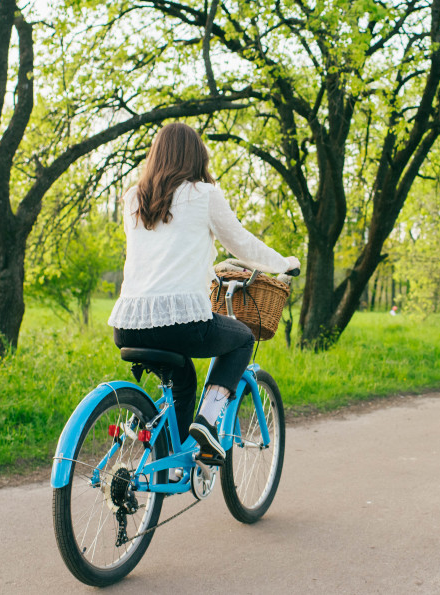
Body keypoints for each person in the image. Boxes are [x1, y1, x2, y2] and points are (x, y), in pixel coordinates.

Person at [108, 122, 299, 459]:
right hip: (180, 323)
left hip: (127, 325)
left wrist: (211, 268)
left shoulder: (134, 197)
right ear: (196, 157)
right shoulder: (204, 195)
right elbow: (242, 244)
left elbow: (161, 257)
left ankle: (174, 463)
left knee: (184, 383)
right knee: (241, 338)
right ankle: (207, 424)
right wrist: (283, 263)